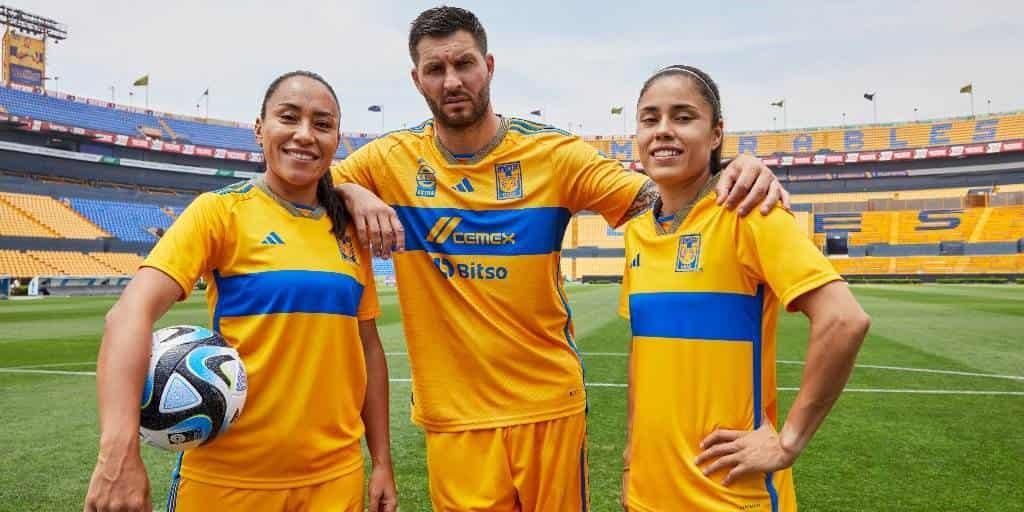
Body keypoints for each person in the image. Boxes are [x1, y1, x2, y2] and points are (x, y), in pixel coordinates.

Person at [333, 7, 791, 510]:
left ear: (488, 65)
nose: (452, 81)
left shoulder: (554, 154)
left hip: (548, 408)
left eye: (464, 64)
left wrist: (733, 171)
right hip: (453, 418)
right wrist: (351, 191)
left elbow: (659, 196)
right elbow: (306, 185)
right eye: (435, 69)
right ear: (416, 79)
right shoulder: (390, 159)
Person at [83, 71, 397, 512]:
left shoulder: (348, 230)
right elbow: (128, 315)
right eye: (289, 117)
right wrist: (117, 453)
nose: (305, 135)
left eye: (322, 124)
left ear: (336, 140)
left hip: (335, 480)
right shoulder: (220, 212)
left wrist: (381, 461)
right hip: (228, 482)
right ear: (259, 129)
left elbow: (368, 349)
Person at [618, 64, 871, 511]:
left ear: (716, 133)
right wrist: (629, 462)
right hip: (648, 493)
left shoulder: (749, 212)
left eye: (683, 117)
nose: (663, 130)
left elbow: (844, 319)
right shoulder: (637, 231)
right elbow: (641, 359)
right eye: (649, 118)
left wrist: (788, 441)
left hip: (731, 495)